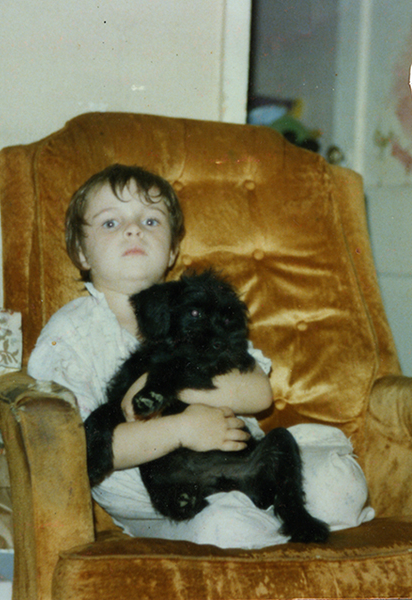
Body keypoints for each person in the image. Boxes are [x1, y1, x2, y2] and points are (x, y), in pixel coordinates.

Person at [28, 164, 375, 549]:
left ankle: (272, 512)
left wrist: (171, 384)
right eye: (111, 223)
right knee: (226, 529)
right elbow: (70, 448)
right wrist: (181, 429)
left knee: (341, 485)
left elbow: (259, 394)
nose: (133, 230)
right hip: (166, 501)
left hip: (246, 461)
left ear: (173, 248)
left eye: (150, 220)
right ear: (80, 252)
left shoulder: (198, 306)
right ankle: (252, 526)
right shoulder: (71, 333)